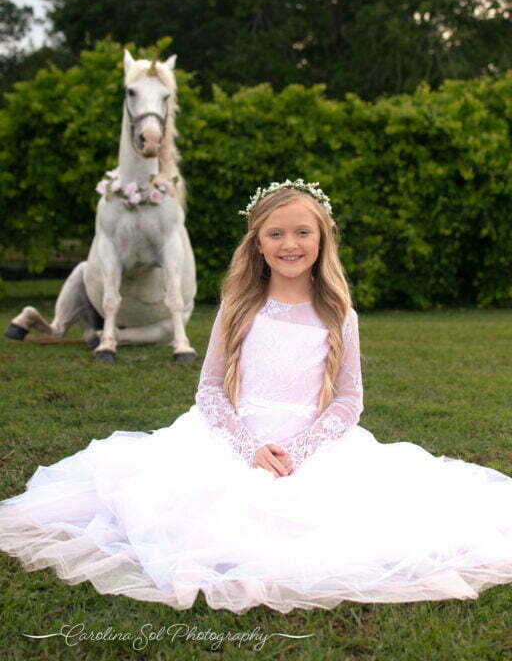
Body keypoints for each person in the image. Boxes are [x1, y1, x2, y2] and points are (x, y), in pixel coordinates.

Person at [0, 178, 511, 615]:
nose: (290, 244)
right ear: (258, 244)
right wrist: (248, 448)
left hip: (312, 447)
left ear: (322, 238)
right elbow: (209, 388)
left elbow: (348, 401)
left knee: (353, 527)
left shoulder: (339, 314)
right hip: (231, 439)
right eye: (276, 234)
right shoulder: (239, 306)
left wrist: (301, 451)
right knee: (188, 514)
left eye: (303, 232)